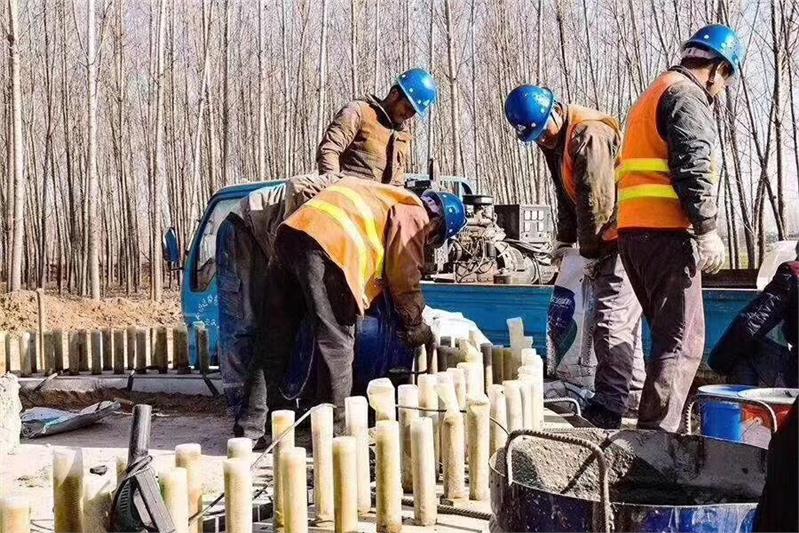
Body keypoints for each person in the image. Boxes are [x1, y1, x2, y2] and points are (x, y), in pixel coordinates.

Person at [242, 177, 466, 434]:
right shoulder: (414, 210)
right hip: (330, 247)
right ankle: (333, 436)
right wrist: (415, 323)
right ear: (436, 221)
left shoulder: (383, 195)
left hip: (290, 234)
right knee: (336, 345)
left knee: (273, 340)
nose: (425, 243)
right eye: (431, 239)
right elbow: (403, 274)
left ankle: (251, 429)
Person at [616, 24, 745, 431]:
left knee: (668, 339)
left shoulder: (655, 91)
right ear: (717, 69)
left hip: (635, 236)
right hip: (666, 235)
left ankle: (656, 428)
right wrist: (707, 228)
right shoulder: (687, 95)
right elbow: (693, 166)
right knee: (683, 342)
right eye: (725, 79)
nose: (722, 90)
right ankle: (658, 441)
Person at [504, 86, 646, 429]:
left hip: (626, 234)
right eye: (535, 138)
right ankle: (635, 396)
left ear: (555, 110)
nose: (541, 142)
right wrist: (564, 240)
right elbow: (565, 195)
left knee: (610, 318)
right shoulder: (555, 139)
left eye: (543, 133)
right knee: (625, 320)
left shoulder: (589, 133)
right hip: (607, 238)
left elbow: (596, 198)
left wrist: (590, 252)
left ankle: (610, 407)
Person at [317, 68, 438, 186]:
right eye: (408, 107)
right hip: (349, 195)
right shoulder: (358, 112)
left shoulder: (402, 135)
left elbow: (397, 180)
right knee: (299, 186)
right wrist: (334, 189)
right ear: (394, 94)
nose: (409, 115)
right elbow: (329, 150)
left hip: (380, 200)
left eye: (414, 112)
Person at [709, 241, 798, 388]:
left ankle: (748, 409)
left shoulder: (792, 273)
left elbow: (749, 326)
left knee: (744, 346)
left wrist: (718, 363)